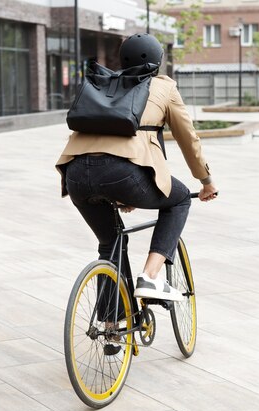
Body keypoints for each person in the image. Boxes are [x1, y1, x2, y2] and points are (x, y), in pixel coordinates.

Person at [56, 33, 218, 301]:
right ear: (158, 61)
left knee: (110, 243)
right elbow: (187, 137)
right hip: (123, 174)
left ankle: (111, 325)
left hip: (75, 174)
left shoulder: (105, 84)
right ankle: (151, 277)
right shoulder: (164, 87)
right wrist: (206, 180)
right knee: (178, 202)